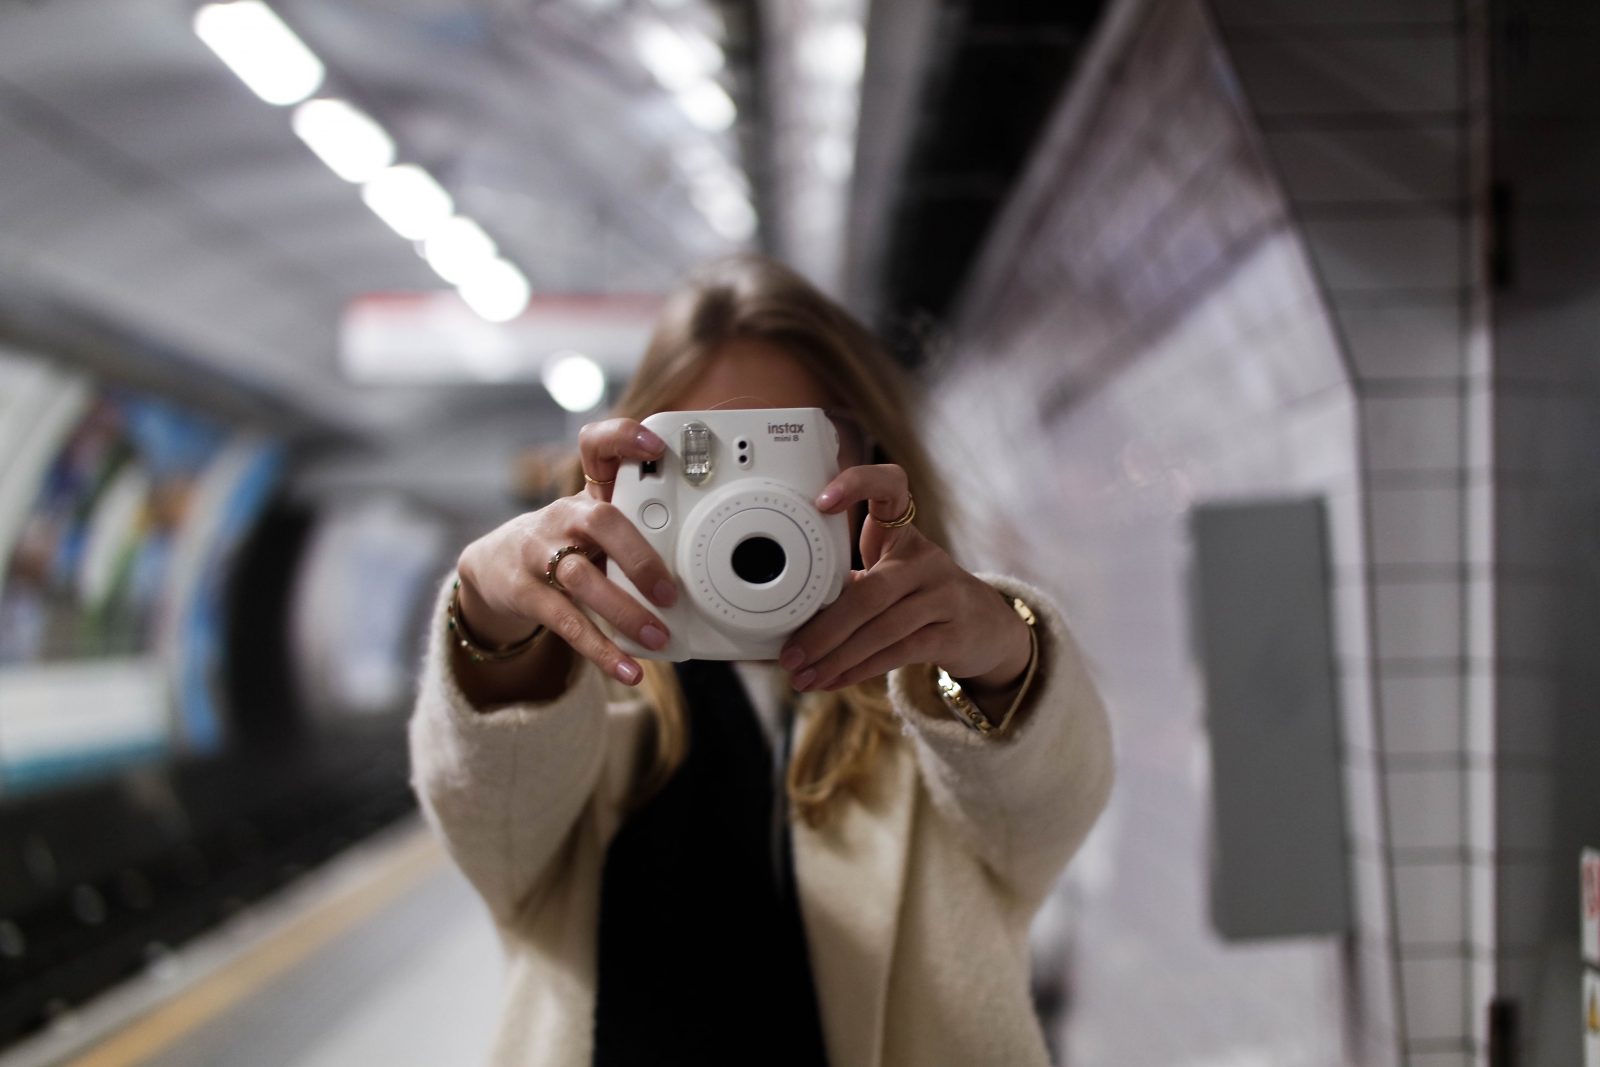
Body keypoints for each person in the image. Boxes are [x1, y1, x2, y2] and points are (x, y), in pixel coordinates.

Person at [408, 253, 1113, 1067]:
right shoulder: (581, 696)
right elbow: (486, 806)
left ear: (872, 458)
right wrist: (496, 631)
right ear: (628, 476)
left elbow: (1051, 804)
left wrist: (998, 654)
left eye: (780, 452)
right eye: (701, 458)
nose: (746, 501)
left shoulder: (937, 706)